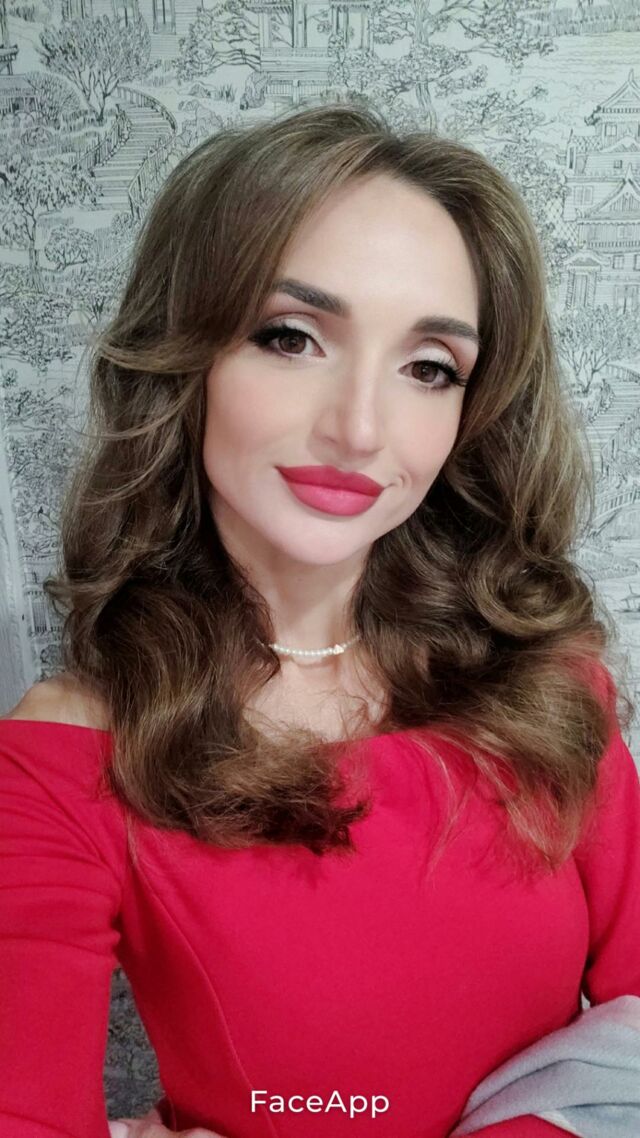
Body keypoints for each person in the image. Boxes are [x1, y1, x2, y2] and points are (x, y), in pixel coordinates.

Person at [1, 102, 638, 1138]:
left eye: (428, 367)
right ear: (186, 358)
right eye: (290, 338)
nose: (359, 428)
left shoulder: (544, 677)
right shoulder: (71, 752)